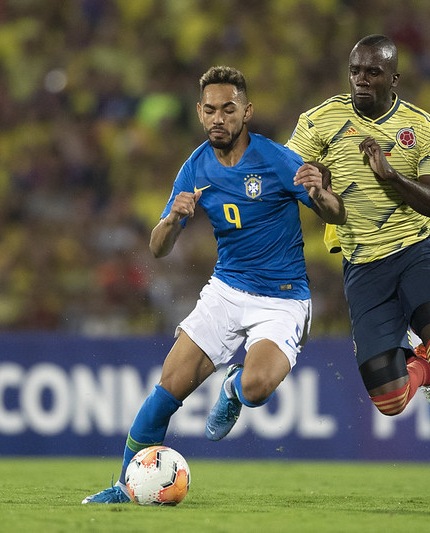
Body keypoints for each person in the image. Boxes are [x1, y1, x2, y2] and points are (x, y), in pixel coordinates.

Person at [82, 66, 345, 504]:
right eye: (210, 110)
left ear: (247, 111)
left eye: (228, 109)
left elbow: (337, 214)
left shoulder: (277, 159)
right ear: (200, 113)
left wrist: (320, 194)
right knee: (167, 390)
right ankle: (124, 487)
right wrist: (172, 219)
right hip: (226, 291)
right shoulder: (195, 167)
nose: (218, 118)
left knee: (258, 387)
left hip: (281, 299)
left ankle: (233, 388)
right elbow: (158, 249)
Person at [286, 34, 430, 508]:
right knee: (392, 400)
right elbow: (298, 178)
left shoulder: (422, 128)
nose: (361, 79)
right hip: (362, 266)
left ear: (393, 78)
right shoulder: (319, 121)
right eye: (355, 70)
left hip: (417, 252)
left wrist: (391, 175)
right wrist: (311, 188)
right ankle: (427, 371)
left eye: (372, 72)